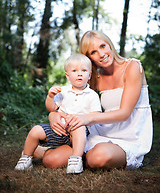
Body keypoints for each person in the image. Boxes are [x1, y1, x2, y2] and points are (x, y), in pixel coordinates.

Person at [43, 30, 153, 170]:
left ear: (110, 45)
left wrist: (87, 118)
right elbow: (73, 99)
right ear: (88, 58)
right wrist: (53, 115)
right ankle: (72, 153)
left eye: (102, 46)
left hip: (129, 137)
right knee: (50, 160)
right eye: (93, 52)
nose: (101, 54)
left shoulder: (132, 67)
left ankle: (82, 155)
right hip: (100, 132)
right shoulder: (96, 78)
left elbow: (124, 113)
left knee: (98, 157)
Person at [15, 53, 101, 173]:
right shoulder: (63, 91)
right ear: (67, 75)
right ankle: (26, 158)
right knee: (35, 130)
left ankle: (76, 159)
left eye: (84, 70)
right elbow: (51, 108)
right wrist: (50, 97)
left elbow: (96, 116)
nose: (80, 73)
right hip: (59, 129)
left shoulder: (92, 95)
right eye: (75, 70)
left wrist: (80, 118)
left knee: (79, 127)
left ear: (90, 75)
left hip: (78, 134)